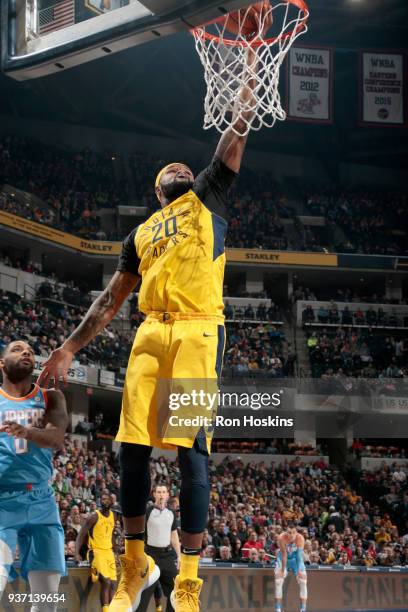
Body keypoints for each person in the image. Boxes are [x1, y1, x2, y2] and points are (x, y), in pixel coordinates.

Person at [37, 5, 272, 610]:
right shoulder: (141, 233)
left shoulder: (208, 196)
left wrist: (250, 56)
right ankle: (135, 566)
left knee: (193, 454)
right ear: (155, 189)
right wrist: (67, 347)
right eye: (167, 168)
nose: (176, 166)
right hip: (148, 335)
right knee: (132, 449)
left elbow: (238, 125)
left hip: (196, 332)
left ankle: (188, 580)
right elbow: (110, 301)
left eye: (182, 165)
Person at [0, 340, 68, 612]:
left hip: (41, 500)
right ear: (2, 364)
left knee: (46, 600)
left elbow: (57, 438)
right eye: (16, 349)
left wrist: (27, 432)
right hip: (2, 500)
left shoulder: (51, 396)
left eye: (29, 349)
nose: (25, 351)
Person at [139, 483, 180, 612]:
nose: (161, 494)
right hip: (151, 556)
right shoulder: (147, 512)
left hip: (167, 556)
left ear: (168, 495)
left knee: (176, 591)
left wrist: (179, 555)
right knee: (144, 593)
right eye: (159, 492)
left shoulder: (171, 513)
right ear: (154, 494)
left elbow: (173, 535)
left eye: (164, 492)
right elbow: (139, 534)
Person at [75, 492, 117, 612]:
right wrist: (76, 553)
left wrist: (116, 550)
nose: (105, 501)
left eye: (107, 499)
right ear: (99, 502)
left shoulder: (113, 516)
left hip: (109, 553)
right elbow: (81, 534)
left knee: (114, 584)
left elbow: (110, 534)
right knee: (106, 582)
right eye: (103, 499)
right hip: (96, 552)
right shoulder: (94, 517)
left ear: (111, 501)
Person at [275, 522, 308, 612]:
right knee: (278, 580)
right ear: (286, 532)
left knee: (303, 581)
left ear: (296, 532)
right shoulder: (281, 537)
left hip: (295, 559)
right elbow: (284, 555)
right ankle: (278, 609)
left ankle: (303, 609)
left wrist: (299, 571)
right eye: (289, 532)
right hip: (283, 558)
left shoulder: (300, 538)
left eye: (293, 532)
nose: (291, 535)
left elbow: (298, 556)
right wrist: (282, 570)